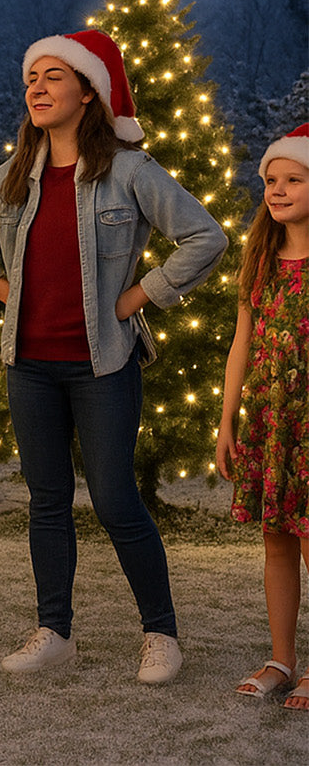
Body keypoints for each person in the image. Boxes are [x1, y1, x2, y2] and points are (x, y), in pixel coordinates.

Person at [0, 28, 227, 685]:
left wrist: (138, 296)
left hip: (103, 366)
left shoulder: (129, 171)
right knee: (46, 500)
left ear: (88, 91)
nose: (35, 88)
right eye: (31, 78)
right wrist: (0, 287)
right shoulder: (17, 174)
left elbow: (204, 237)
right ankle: (54, 631)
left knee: (114, 499)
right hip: (29, 365)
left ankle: (160, 633)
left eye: (51, 76)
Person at [215, 124, 309, 709]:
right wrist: (226, 421)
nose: (277, 189)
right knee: (277, 541)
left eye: (293, 179)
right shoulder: (262, 258)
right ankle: (282, 658)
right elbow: (241, 345)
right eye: (271, 180)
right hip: (271, 425)